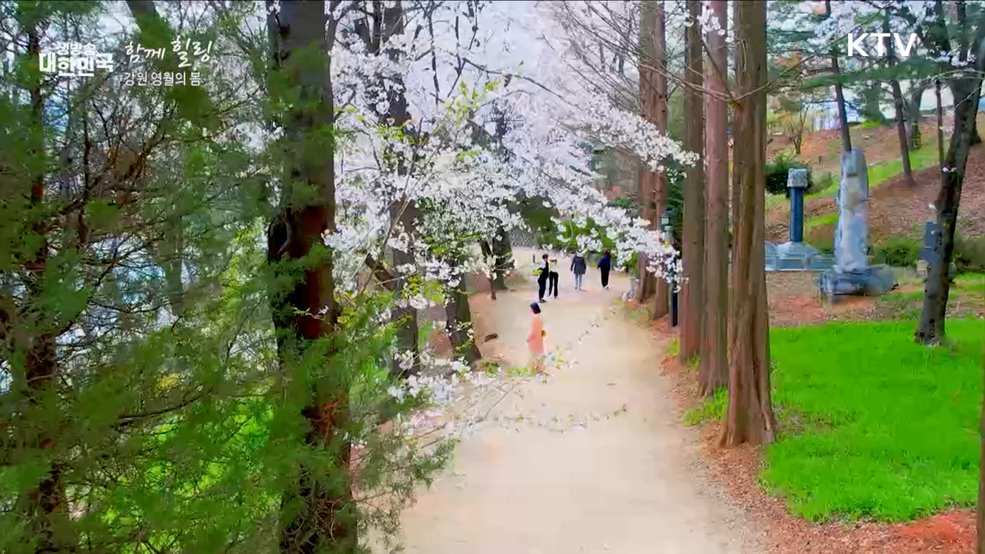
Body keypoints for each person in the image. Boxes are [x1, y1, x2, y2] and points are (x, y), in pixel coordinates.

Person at [527, 302, 546, 372]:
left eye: (531, 309)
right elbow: (543, 330)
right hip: (539, 339)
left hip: (535, 340)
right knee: (537, 355)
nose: (530, 310)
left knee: (533, 355)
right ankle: (539, 368)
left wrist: (528, 339)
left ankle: (533, 369)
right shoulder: (540, 318)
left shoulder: (535, 319)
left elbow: (533, 332)